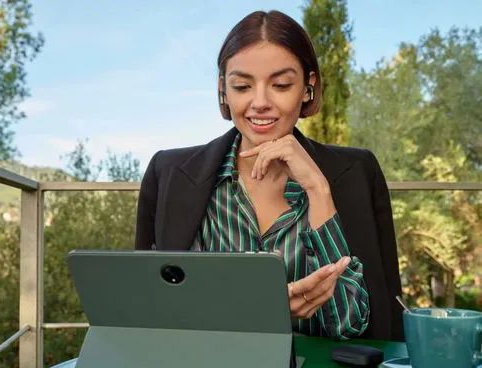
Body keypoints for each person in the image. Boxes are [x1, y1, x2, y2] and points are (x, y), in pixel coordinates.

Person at [135, 10, 404, 341]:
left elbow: (357, 325)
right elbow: (158, 311)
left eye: (280, 85)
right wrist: (264, 308)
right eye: (242, 85)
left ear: (308, 87)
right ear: (223, 90)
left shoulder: (358, 172)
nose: (259, 102)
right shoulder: (170, 173)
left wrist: (318, 189)